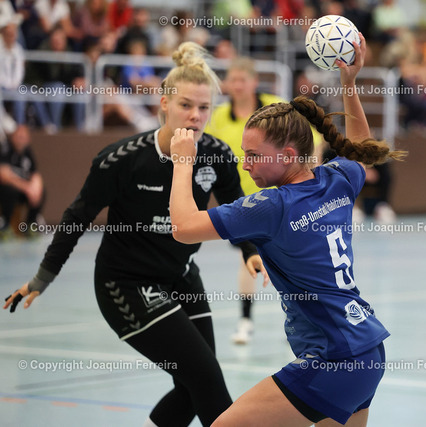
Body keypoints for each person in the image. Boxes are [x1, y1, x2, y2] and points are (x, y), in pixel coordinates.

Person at [4, 42, 266, 427]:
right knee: (206, 379)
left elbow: (234, 207)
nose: (195, 116)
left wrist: (250, 250)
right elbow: (77, 217)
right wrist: (43, 277)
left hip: (181, 276)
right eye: (185, 105)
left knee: (192, 388)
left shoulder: (217, 155)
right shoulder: (122, 160)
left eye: (204, 107)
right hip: (125, 284)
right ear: (164, 104)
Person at [169, 34, 404, 426]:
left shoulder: (271, 206)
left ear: (289, 155)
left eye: (254, 156)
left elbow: (182, 227)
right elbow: (361, 147)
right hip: (367, 350)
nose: (246, 165)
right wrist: (349, 84)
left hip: (332, 359)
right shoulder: (337, 179)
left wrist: (182, 162)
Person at [204, 56, 294, 344]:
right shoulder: (218, 116)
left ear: (254, 82)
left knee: (289, 259)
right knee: (249, 256)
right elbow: (205, 153)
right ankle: (245, 320)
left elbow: (311, 139)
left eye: (243, 80)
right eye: (233, 80)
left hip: (280, 198)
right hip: (243, 204)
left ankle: (297, 318)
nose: (238, 85)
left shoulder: (276, 108)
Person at [0, 124, 44, 238]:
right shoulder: (5, 148)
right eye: (19, 137)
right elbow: (4, 175)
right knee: (10, 191)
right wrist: (26, 187)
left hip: (22, 189)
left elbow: (35, 174)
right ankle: (4, 226)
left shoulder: (27, 152)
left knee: (41, 192)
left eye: (23, 137)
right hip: (6, 188)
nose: (21, 140)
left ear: (28, 139)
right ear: (13, 137)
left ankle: (30, 225)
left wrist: (36, 187)